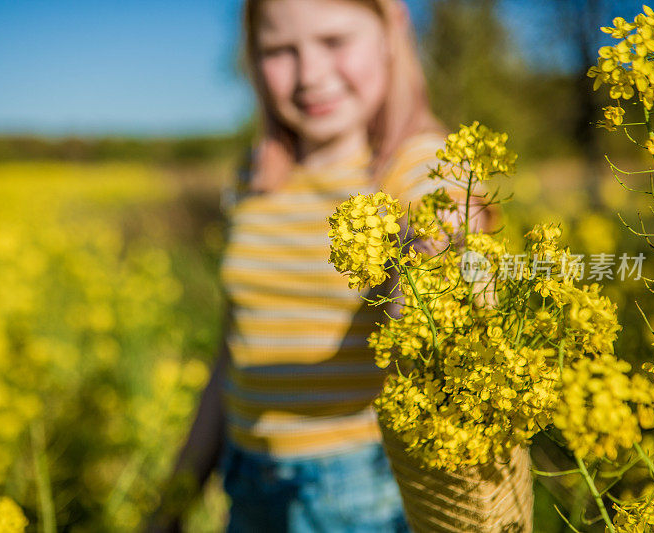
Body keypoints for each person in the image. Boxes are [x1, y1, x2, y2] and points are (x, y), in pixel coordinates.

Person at [143, 0, 493, 531]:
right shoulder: (254, 178)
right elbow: (233, 354)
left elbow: (444, 237)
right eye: (279, 50)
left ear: (390, 32)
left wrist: (435, 263)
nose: (310, 75)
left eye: (334, 42)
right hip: (245, 483)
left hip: (361, 497)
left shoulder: (419, 163)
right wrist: (173, 502)